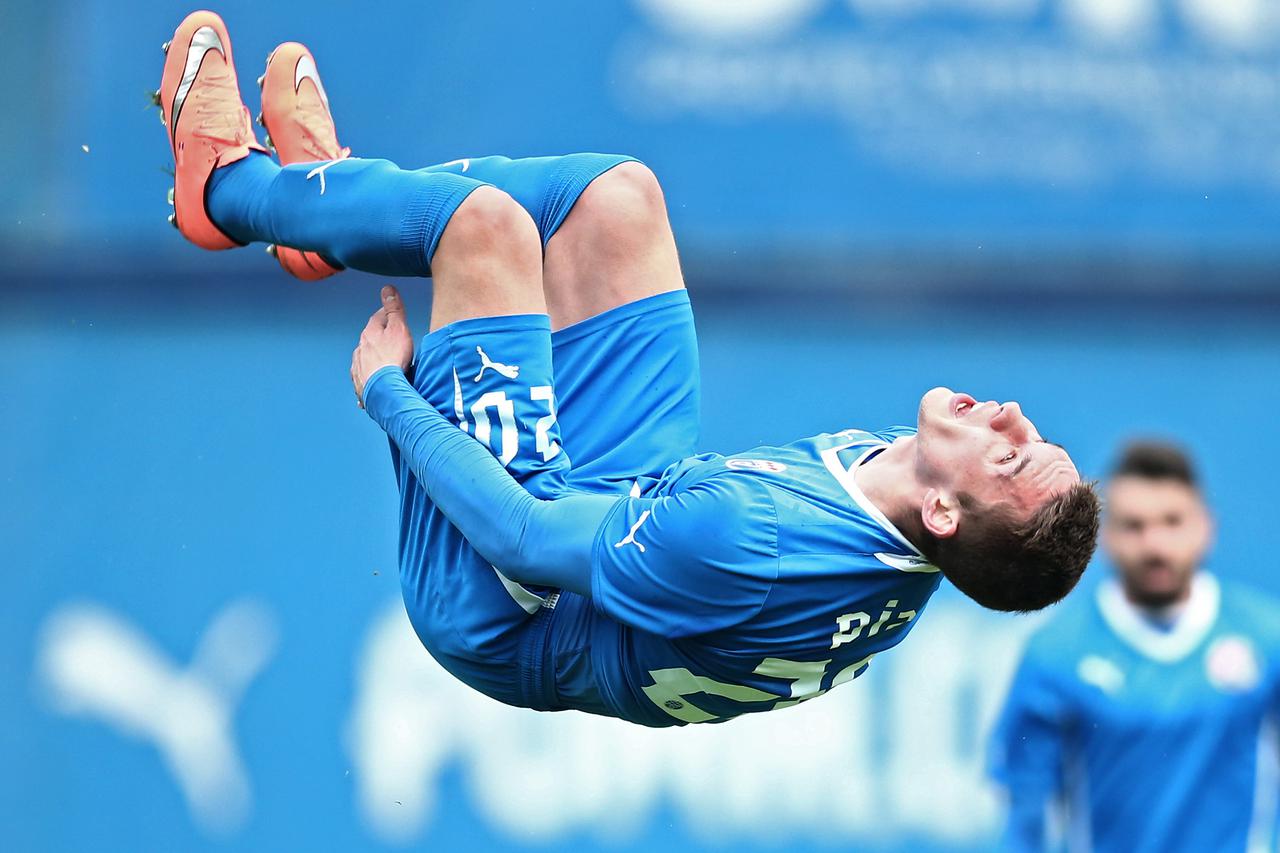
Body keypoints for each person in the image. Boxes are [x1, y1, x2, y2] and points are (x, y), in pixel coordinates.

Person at [157, 11, 1099, 727]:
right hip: (625, 509)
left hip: (505, 598)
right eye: (1034, 435)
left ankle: (227, 194)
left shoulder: (750, 536)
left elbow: (524, 535)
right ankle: (334, 212)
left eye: (1010, 454)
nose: (1012, 414)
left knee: (483, 229)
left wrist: (389, 394)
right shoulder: (914, 511)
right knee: (618, 198)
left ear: (945, 513)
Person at [990, 441, 1280, 852]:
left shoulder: (1267, 638)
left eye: (1171, 522)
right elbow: (1027, 812)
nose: (1154, 546)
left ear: (1205, 527)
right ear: (1104, 537)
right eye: (1135, 526)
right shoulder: (1056, 654)